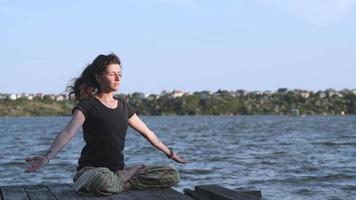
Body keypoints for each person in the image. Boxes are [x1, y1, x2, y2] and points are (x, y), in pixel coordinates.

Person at [25, 53, 188, 196]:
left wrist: (170, 154)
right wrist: (47, 157)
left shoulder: (124, 106)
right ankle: (124, 178)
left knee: (171, 174)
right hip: (91, 173)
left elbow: (148, 133)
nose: (118, 78)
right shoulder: (87, 104)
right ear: (99, 77)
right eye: (112, 74)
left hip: (117, 172)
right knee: (102, 180)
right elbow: (68, 132)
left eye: (120, 74)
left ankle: (120, 181)